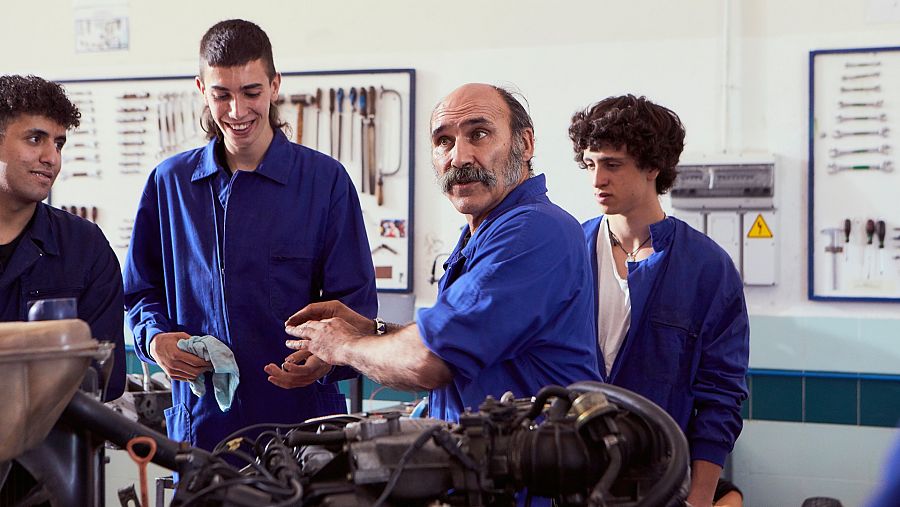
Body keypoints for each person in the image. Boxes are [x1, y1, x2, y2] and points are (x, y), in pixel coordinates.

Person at [123, 20, 377, 451]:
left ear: (275, 86)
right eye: (222, 94)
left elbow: (354, 304)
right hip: (202, 427)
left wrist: (326, 359)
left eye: (251, 92)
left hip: (301, 422)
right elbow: (140, 291)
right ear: (202, 90)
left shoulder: (324, 181)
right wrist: (154, 340)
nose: (237, 111)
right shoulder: (169, 184)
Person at [283, 83, 601, 423]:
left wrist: (343, 345)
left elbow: (429, 361)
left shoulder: (532, 231)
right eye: (443, 141)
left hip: (530, 467)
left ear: (524, 144)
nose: (458, 157)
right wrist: (368, 330)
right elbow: (456, 340)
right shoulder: (481, 234)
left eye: (478, 134)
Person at [568, 94, 750, 507]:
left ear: (653, 167)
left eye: (612, 165)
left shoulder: (706, 267)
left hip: (660, 482)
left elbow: (722, 395)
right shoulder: (567, 251)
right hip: (572, 476)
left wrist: (700, 498)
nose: (597, 180)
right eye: (591, 164)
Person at [0, 74, 125, 401]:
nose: (51, 158)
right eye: (35, 139)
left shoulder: (86, 248)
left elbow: (105, 378)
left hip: (54, 449)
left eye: (58, 143)